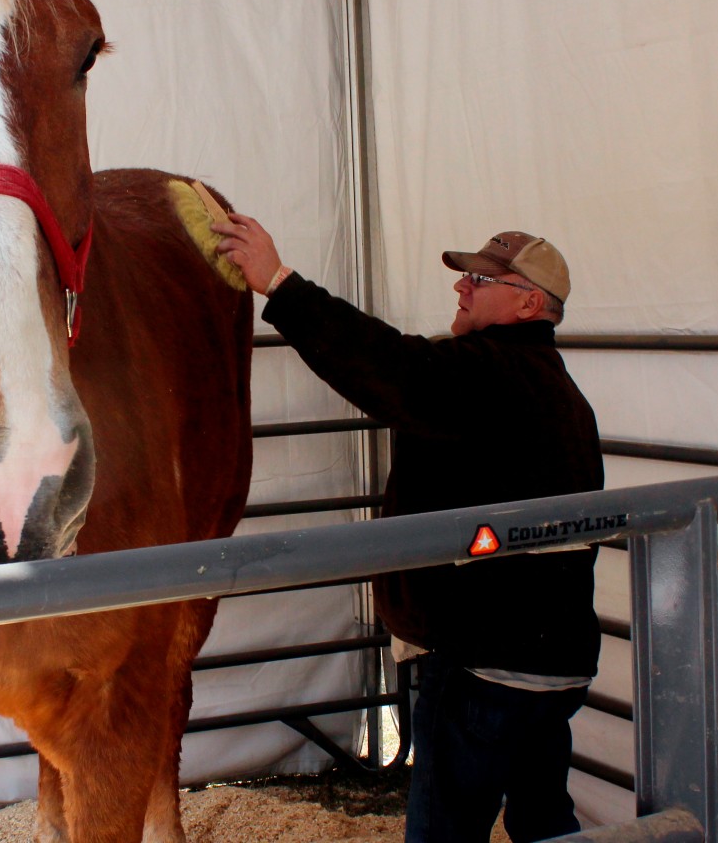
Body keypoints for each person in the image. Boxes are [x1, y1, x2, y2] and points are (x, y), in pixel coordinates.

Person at [213, 217, 603, 843]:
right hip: (554, 663)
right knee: (544, 820)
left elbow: (388, 366)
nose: (462, 289)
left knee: (443, 830)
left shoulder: (485, 375)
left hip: (484, 663)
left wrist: (280, 286)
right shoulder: (559, 391)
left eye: (480, 279)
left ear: (530, 302)